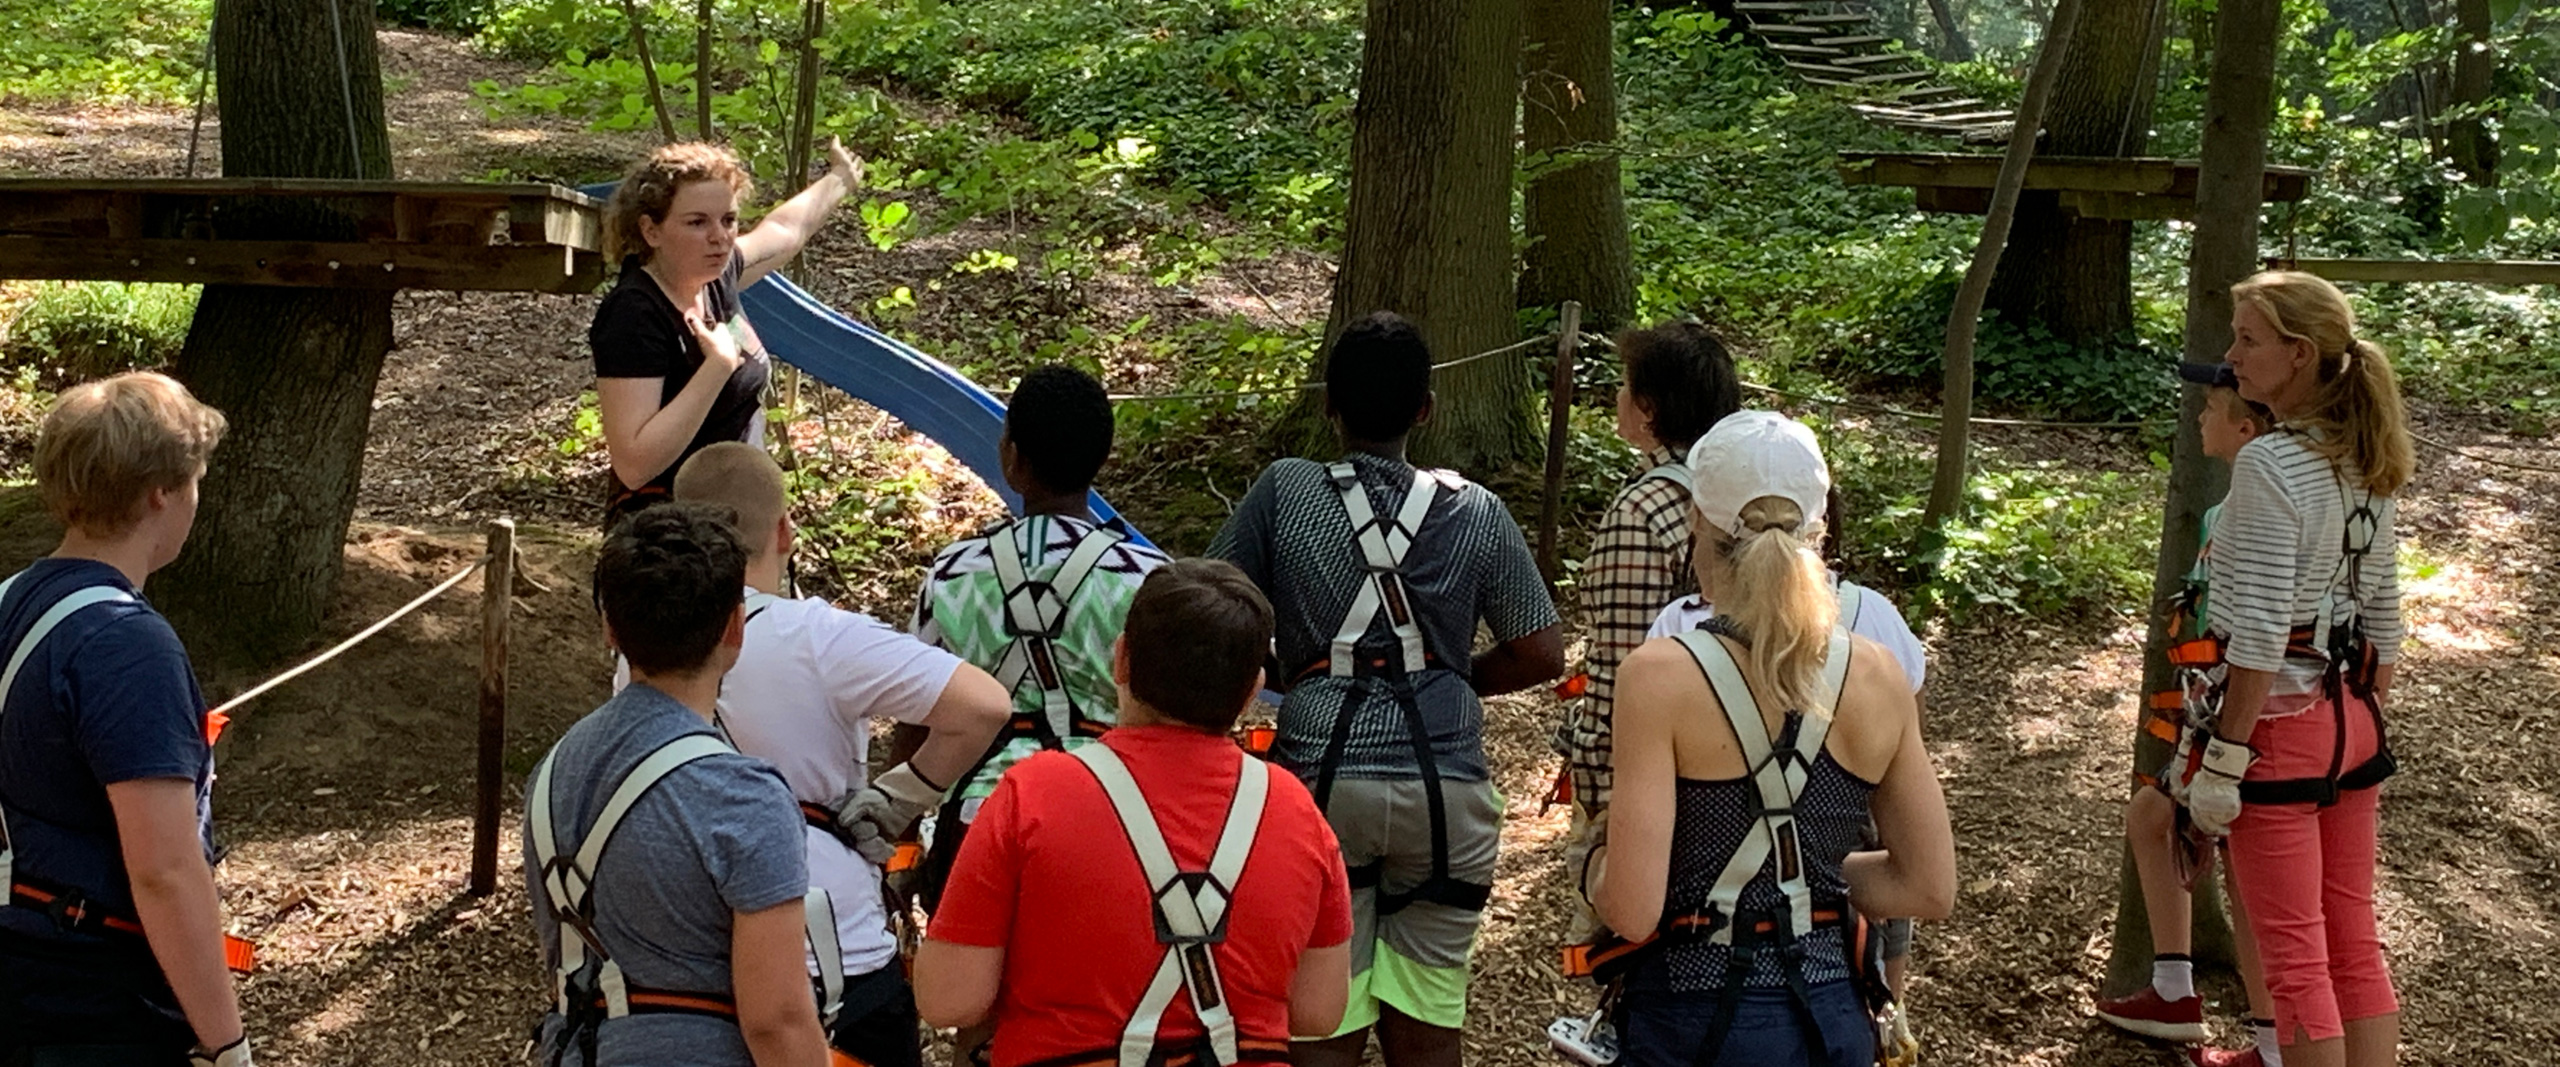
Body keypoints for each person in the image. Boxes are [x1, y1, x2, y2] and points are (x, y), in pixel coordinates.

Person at [1207, 312, 1565, 1067]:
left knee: (1322, 1007)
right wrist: (1455, 680)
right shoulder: (1477, 510)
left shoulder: (1286, 491)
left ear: (1329, 405)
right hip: (1447, 786)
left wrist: (1287, 673)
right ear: (1426, 409)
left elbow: (1213, 604)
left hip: (1319, 778)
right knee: (1430, 1010)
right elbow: (1542, 649)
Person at [1596, 411, 1953, 1067]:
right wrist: (1802, 884)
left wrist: (1598, 867)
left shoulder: (1658, 677)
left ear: (1699, 519)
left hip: (1692, 1019)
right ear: (1818, 527)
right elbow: (1928, 883)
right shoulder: (1877, 673)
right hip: (1832, 1017)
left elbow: (1633, 908)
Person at [912, 559, 1355, 1065]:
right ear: (1253, 690)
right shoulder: (1297, 809)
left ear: (1120, 660)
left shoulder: (1030, 795)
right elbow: (1319, 1011)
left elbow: (950, 999)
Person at [658, 442, 1013, 1067]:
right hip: (830, 949)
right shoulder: (820, 638)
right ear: (785, 530)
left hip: (686, 954)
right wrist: (897, 797)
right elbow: (983, 706)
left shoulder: (643, 651)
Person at [2180, 272, 2411, 1067]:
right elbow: (2384, 615)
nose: (2231, 354)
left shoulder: (2273, 465)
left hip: (2280, 728)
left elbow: (2264, 633)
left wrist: (2224, 757)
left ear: (2299, 354)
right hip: (2351, 721)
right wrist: (2365, 716)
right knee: (2354, 938)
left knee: (2297, 960)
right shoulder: (2364, 457)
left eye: (2248, 338)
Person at [523, 504, 828, 1067]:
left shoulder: (552, 773)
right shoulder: (741, 794)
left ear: (610, 628)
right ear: (735, 628)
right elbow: (777, 1021)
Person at [0, 372, 244, 1067]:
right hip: (85, 1004)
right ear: (160, 490)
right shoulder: (124, 641)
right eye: (195, 478)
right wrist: (229, 1044)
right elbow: (165, 868)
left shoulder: (9, 603)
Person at [908, 364, 1169, 913]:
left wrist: (903, 837)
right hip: (1115, 815)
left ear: (1011, 458)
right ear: (1102, 459)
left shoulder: (954, 573)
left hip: (981, 817)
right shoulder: (1148, 578)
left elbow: (917, 709)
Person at [2094, 366, 2282, 1067]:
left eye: (2212, 409)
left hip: (2246, 723)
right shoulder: (2219, 513)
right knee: (2152, 816)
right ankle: (2174, 989)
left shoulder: (2259, 513)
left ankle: (2271, 1041)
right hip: (2210, 718)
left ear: (2247, 428)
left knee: (2247, 872)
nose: (2200, 418)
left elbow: (2257, 632)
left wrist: (2225, 743)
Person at [1558, 321, 1742, 943]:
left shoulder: (1642, 512)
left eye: (1623, 386)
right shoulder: (1748, 498)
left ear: (1648, 409)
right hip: (1743, 763)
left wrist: (1598, 787)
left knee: (1622, 960)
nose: (1616, 398)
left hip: (1648, 782)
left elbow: (1623, 665)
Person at [591, 138, 865, 526]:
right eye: (697, 222)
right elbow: (635, 463)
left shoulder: (715, 277)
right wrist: (717, 367)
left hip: (737, 524)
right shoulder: (634, 313)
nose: (720, 237)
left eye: (729, 219)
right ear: (651, 230)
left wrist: (840, 178)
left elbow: (785, 231)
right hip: (670, 544)